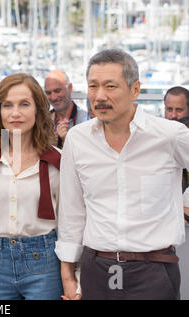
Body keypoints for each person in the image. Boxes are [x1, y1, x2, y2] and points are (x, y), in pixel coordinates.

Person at [55, 49, 189, 300]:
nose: (100, 96)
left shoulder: (170, 135)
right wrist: (68, 276)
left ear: (135, 90)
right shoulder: (77, 139)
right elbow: (71, 212)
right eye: (93, 86)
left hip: (154, 270)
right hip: (96, 270)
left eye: (111, 86)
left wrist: (184, 206)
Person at [0, 73, 64, 300]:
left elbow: (69, 225)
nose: (15, 113)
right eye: (7, 105)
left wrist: (72, 277)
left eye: (24, 104)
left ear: (38, 109)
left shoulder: (57, 162)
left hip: (45, 265)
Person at [44, 70, 88, 148]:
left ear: (70, 88)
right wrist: (47, 145)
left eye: (57, 91)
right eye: (48, 93)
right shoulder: (43, 122)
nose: (53, 97)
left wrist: (66, 140)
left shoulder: (86, 120)